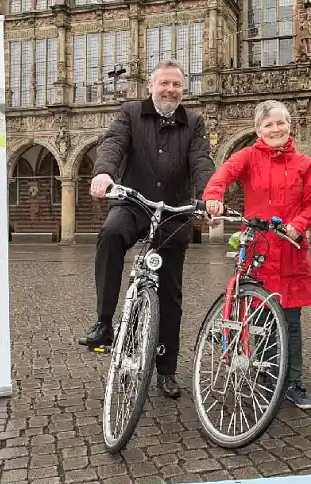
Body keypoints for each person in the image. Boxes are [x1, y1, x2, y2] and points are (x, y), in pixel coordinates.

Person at [80, 59, 215, 399]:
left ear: (184, 90)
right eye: (165, 84)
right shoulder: (130, 112)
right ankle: (104, 321)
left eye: (177, 85)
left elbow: (202, 161)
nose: (171, 90)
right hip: (133, 204)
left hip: (172, 213)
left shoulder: (194, 121)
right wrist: (103, 172)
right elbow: (112, 144)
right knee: (110, 235)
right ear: (151, 86)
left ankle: (166, 370)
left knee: (170, 296)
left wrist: (210, 194)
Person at [203, 100, 311, 410]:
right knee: (264, 320)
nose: (275, 129)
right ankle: (270, 379)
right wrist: (213, 197)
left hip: (292, 252)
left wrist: (298, 225)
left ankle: (294, 382)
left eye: (280, 123)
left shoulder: (304, 164)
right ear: (258, 130)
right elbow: (222, 176)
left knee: (292, 322)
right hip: (260, 252)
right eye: (268, 124)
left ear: (289, 126)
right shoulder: (247, 156)